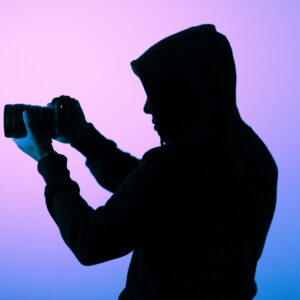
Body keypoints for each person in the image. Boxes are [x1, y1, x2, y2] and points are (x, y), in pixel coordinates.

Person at [13, 24, 278, 300]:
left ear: (185, 91)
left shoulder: (176, 166)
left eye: (157, 94)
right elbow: (150, 191)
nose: (147, 107)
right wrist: (84, 138)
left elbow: (90, 241)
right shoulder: (254, 156)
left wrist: (47, 160)